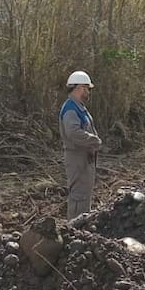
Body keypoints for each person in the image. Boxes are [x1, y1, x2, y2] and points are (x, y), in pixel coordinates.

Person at [60, 70, 103, 220]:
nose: (88, 92)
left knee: (84, 194)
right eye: (87, 88)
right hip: (77, 158)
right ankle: (75, 230)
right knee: (79, 195)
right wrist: (94, 141)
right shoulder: (70, 109)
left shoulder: (78, 107)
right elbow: (74, 133)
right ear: (79, 88)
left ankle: (82, 228)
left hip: (84, 158)